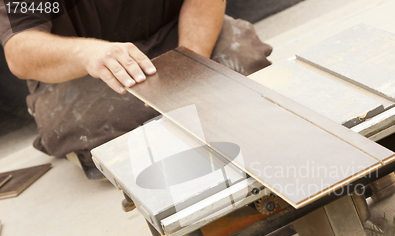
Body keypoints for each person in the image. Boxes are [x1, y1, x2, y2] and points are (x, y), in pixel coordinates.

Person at [0, 0, 272, 179]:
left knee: (243, 58)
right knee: (96, 123)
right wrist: (88, 53)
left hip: (171, 33)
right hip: (82, 65)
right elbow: (19, 50)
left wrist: (188, 64)